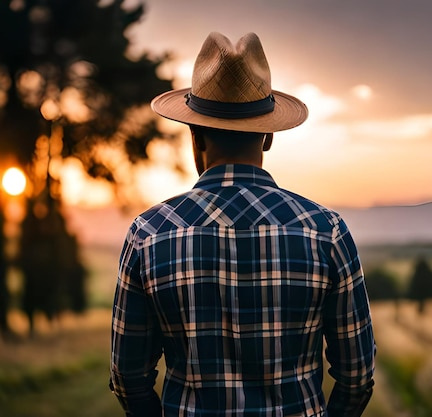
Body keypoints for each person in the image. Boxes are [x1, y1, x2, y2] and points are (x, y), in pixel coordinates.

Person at [109, 32, 375, 417]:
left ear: (194, 134)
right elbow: (357, 376)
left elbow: (127, 377)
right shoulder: (326, 232)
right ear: (268, 136)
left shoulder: (149, 235)